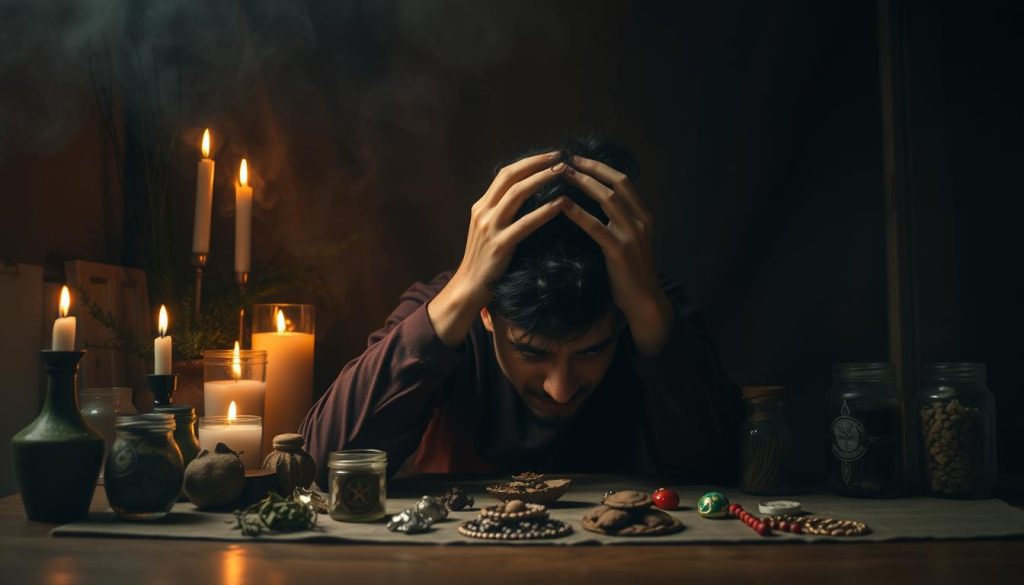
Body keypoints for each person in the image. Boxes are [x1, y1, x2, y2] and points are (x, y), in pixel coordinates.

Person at [300, 138, 740, 487]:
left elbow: (723, 471)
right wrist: (462, 294)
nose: (562, 389)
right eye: (532, 352)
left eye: (590, 351)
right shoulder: (450, 307)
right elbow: (318, 466)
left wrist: (650, 316)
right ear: (486, 313)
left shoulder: (646, 306)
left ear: (620, 315)